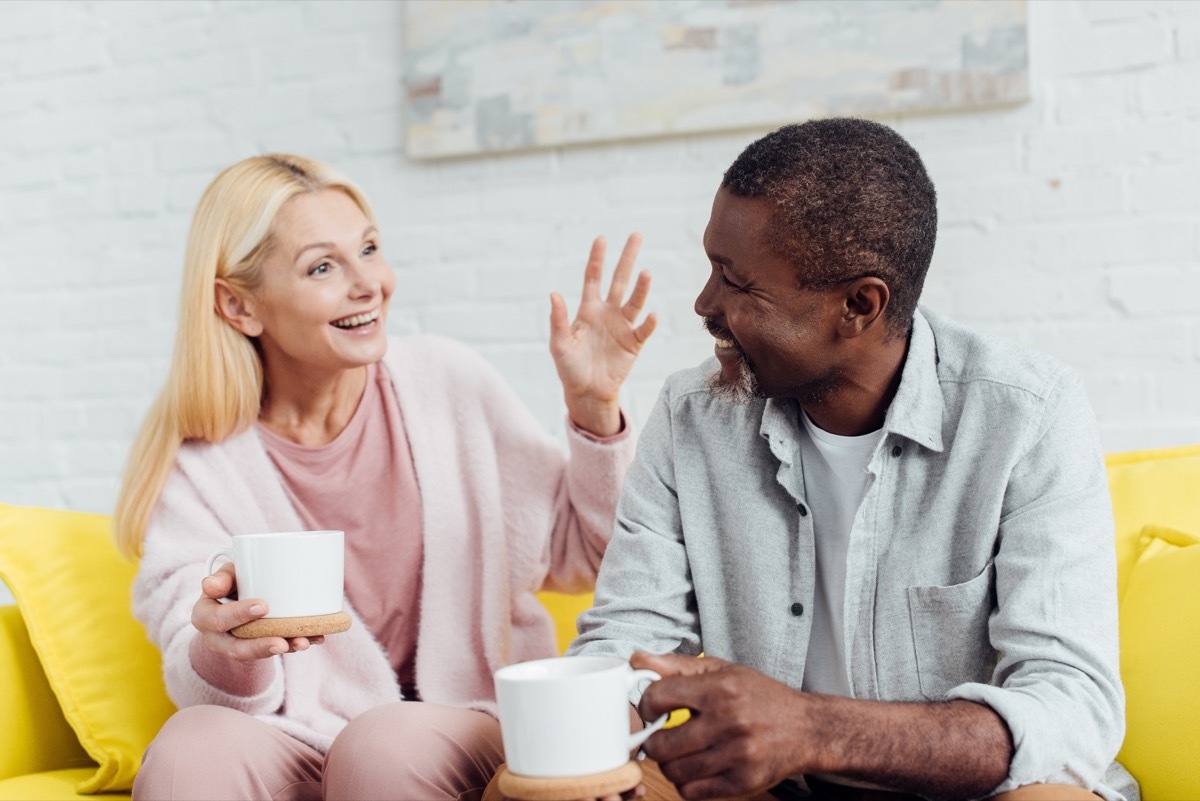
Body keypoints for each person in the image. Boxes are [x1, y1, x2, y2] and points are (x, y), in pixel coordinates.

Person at [498, 119, 1136, 801]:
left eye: (737, 282)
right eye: (712, 267)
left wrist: (814, 728)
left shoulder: (1027, 415)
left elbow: (1071, 708)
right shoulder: (691, 416)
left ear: (858, 305)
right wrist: (589, 729)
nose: (705, 304)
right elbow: (625, 636)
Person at [114, 153, 657, 801]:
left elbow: (593, 558)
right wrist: (226, 645)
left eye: (369, 249)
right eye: (323, 266)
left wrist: (594, 413)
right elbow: (202, 682)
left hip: (471, 717)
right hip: (304, 733)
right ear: (238, 306)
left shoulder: (449, 383)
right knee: (191, 748)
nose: (368, 283)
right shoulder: (201, 465)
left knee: (384, 742)